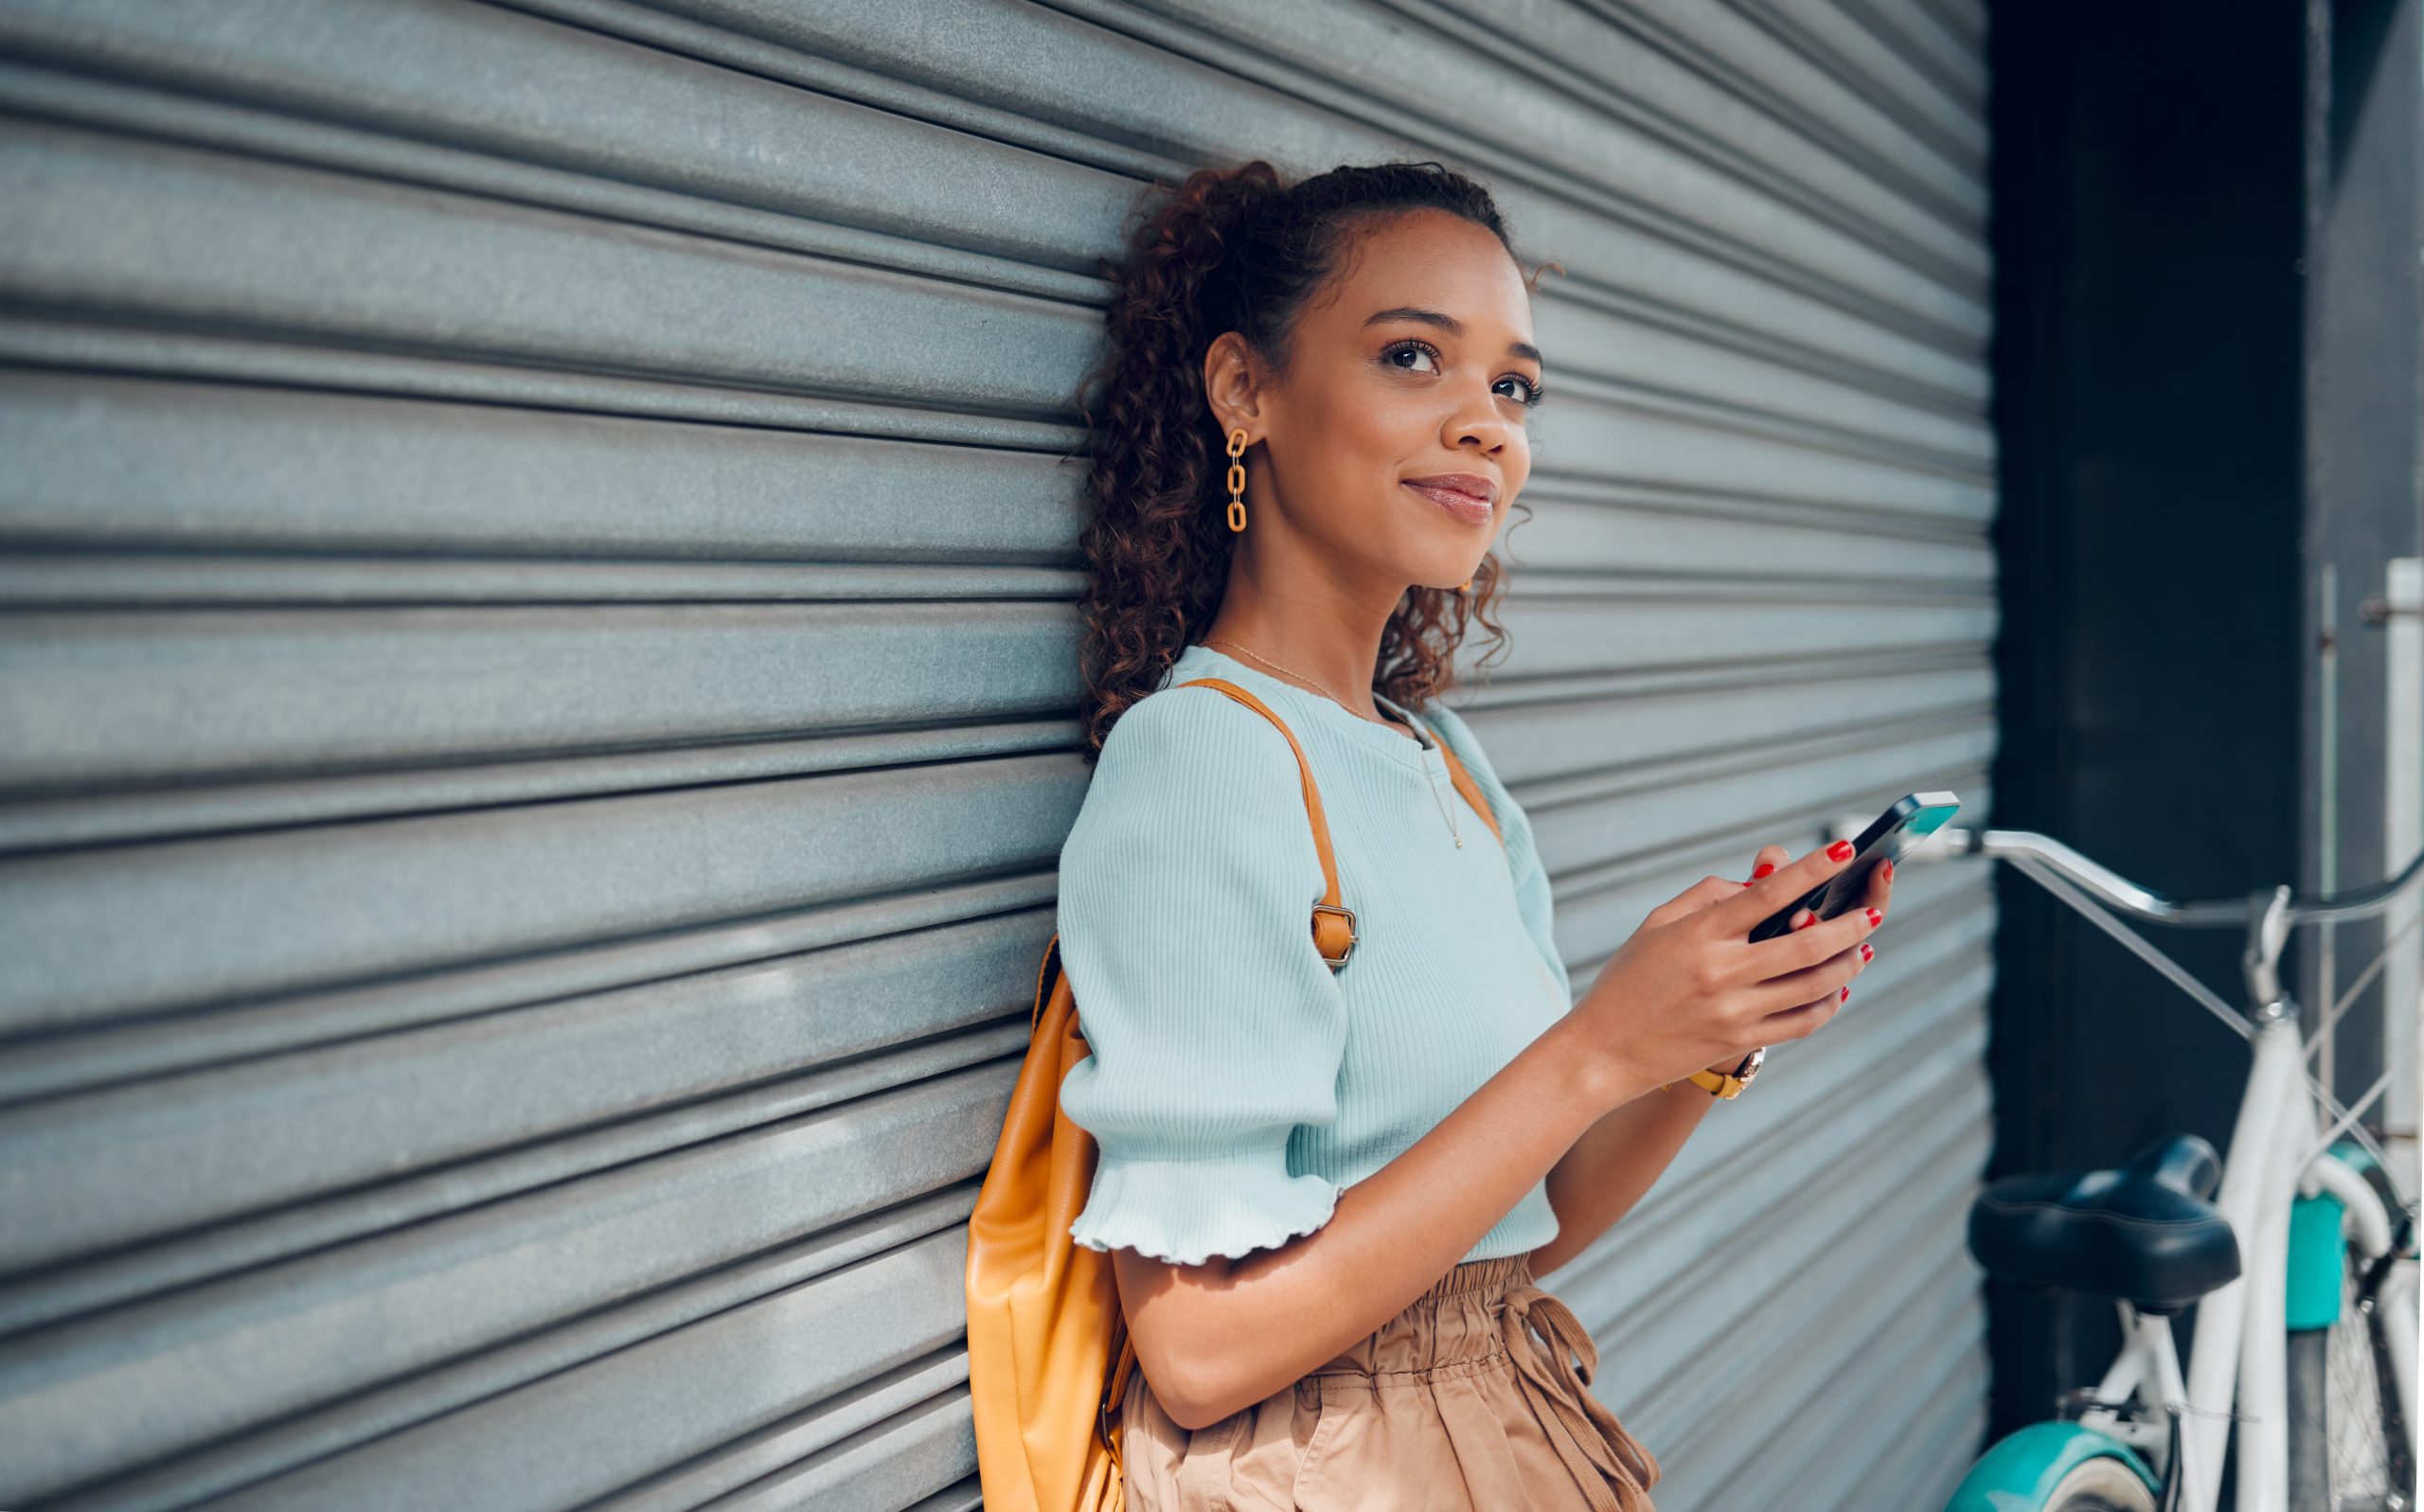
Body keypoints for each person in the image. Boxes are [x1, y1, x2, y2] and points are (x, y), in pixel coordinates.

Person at [1051, 157, 1894, 1512]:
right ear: (1243, 392)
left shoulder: (1444, 766)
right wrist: (1599, 1043)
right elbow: (1199, 1350)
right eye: (1412, 357)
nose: (1488, 425)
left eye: (1513, 387)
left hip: (1502, 1422)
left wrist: (1702, 1039)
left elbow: (1525, 1225)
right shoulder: (1205, 759)